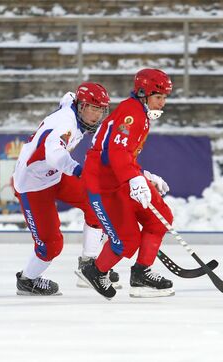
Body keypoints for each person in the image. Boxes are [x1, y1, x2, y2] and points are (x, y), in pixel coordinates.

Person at [78, 68, 174, 299]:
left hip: (122, 177)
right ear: (143, 93)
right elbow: (116, 152)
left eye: (164, 98)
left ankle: (141, 274)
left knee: (160, 218)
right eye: (159, 97)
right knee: (126, 240)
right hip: (104, 184)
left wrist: (143, 174)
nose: (162, 103)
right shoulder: (132, 114)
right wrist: (134, 178)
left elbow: (122, 154)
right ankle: (95, 270)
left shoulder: (139, 112)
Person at [14, 82, 115, 296]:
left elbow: (68, 95)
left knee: (97, 203)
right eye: (92, 108)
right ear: (80, 106)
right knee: (51, 246)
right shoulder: (65, 124)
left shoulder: (72, 105)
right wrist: (78, 170)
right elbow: (55, 155)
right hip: (33, 184)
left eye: (101, 110)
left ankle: (89, 264)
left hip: (55, 176)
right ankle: (27, 280)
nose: (97, 115)